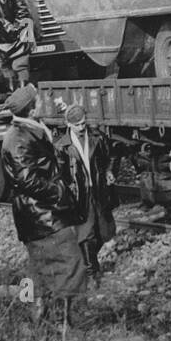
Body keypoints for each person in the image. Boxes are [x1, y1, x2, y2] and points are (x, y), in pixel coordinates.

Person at [0, 85, 86, 324]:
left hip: (35, 216)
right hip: (43, 216)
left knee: (38, 267)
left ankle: (36, 318)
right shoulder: (18, 138)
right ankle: (64, 322)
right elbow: (25, 179)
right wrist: (58, 192)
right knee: (70, 265)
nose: (41, 103)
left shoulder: (27, 130)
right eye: (36, 101)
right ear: (30, 108)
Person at [54, 104, 118, 287]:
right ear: (68, 124)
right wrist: (65, 194)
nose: (81, 128)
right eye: (77, 125)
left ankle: (84, 260)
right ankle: (91, 273)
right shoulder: (62, 146)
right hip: (79, 195)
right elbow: (59, 174)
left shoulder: (98, 138)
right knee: (86, 232)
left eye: (83, 123)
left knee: (105, 231)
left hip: (99, 190)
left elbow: (112, 156)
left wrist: (109, 171)